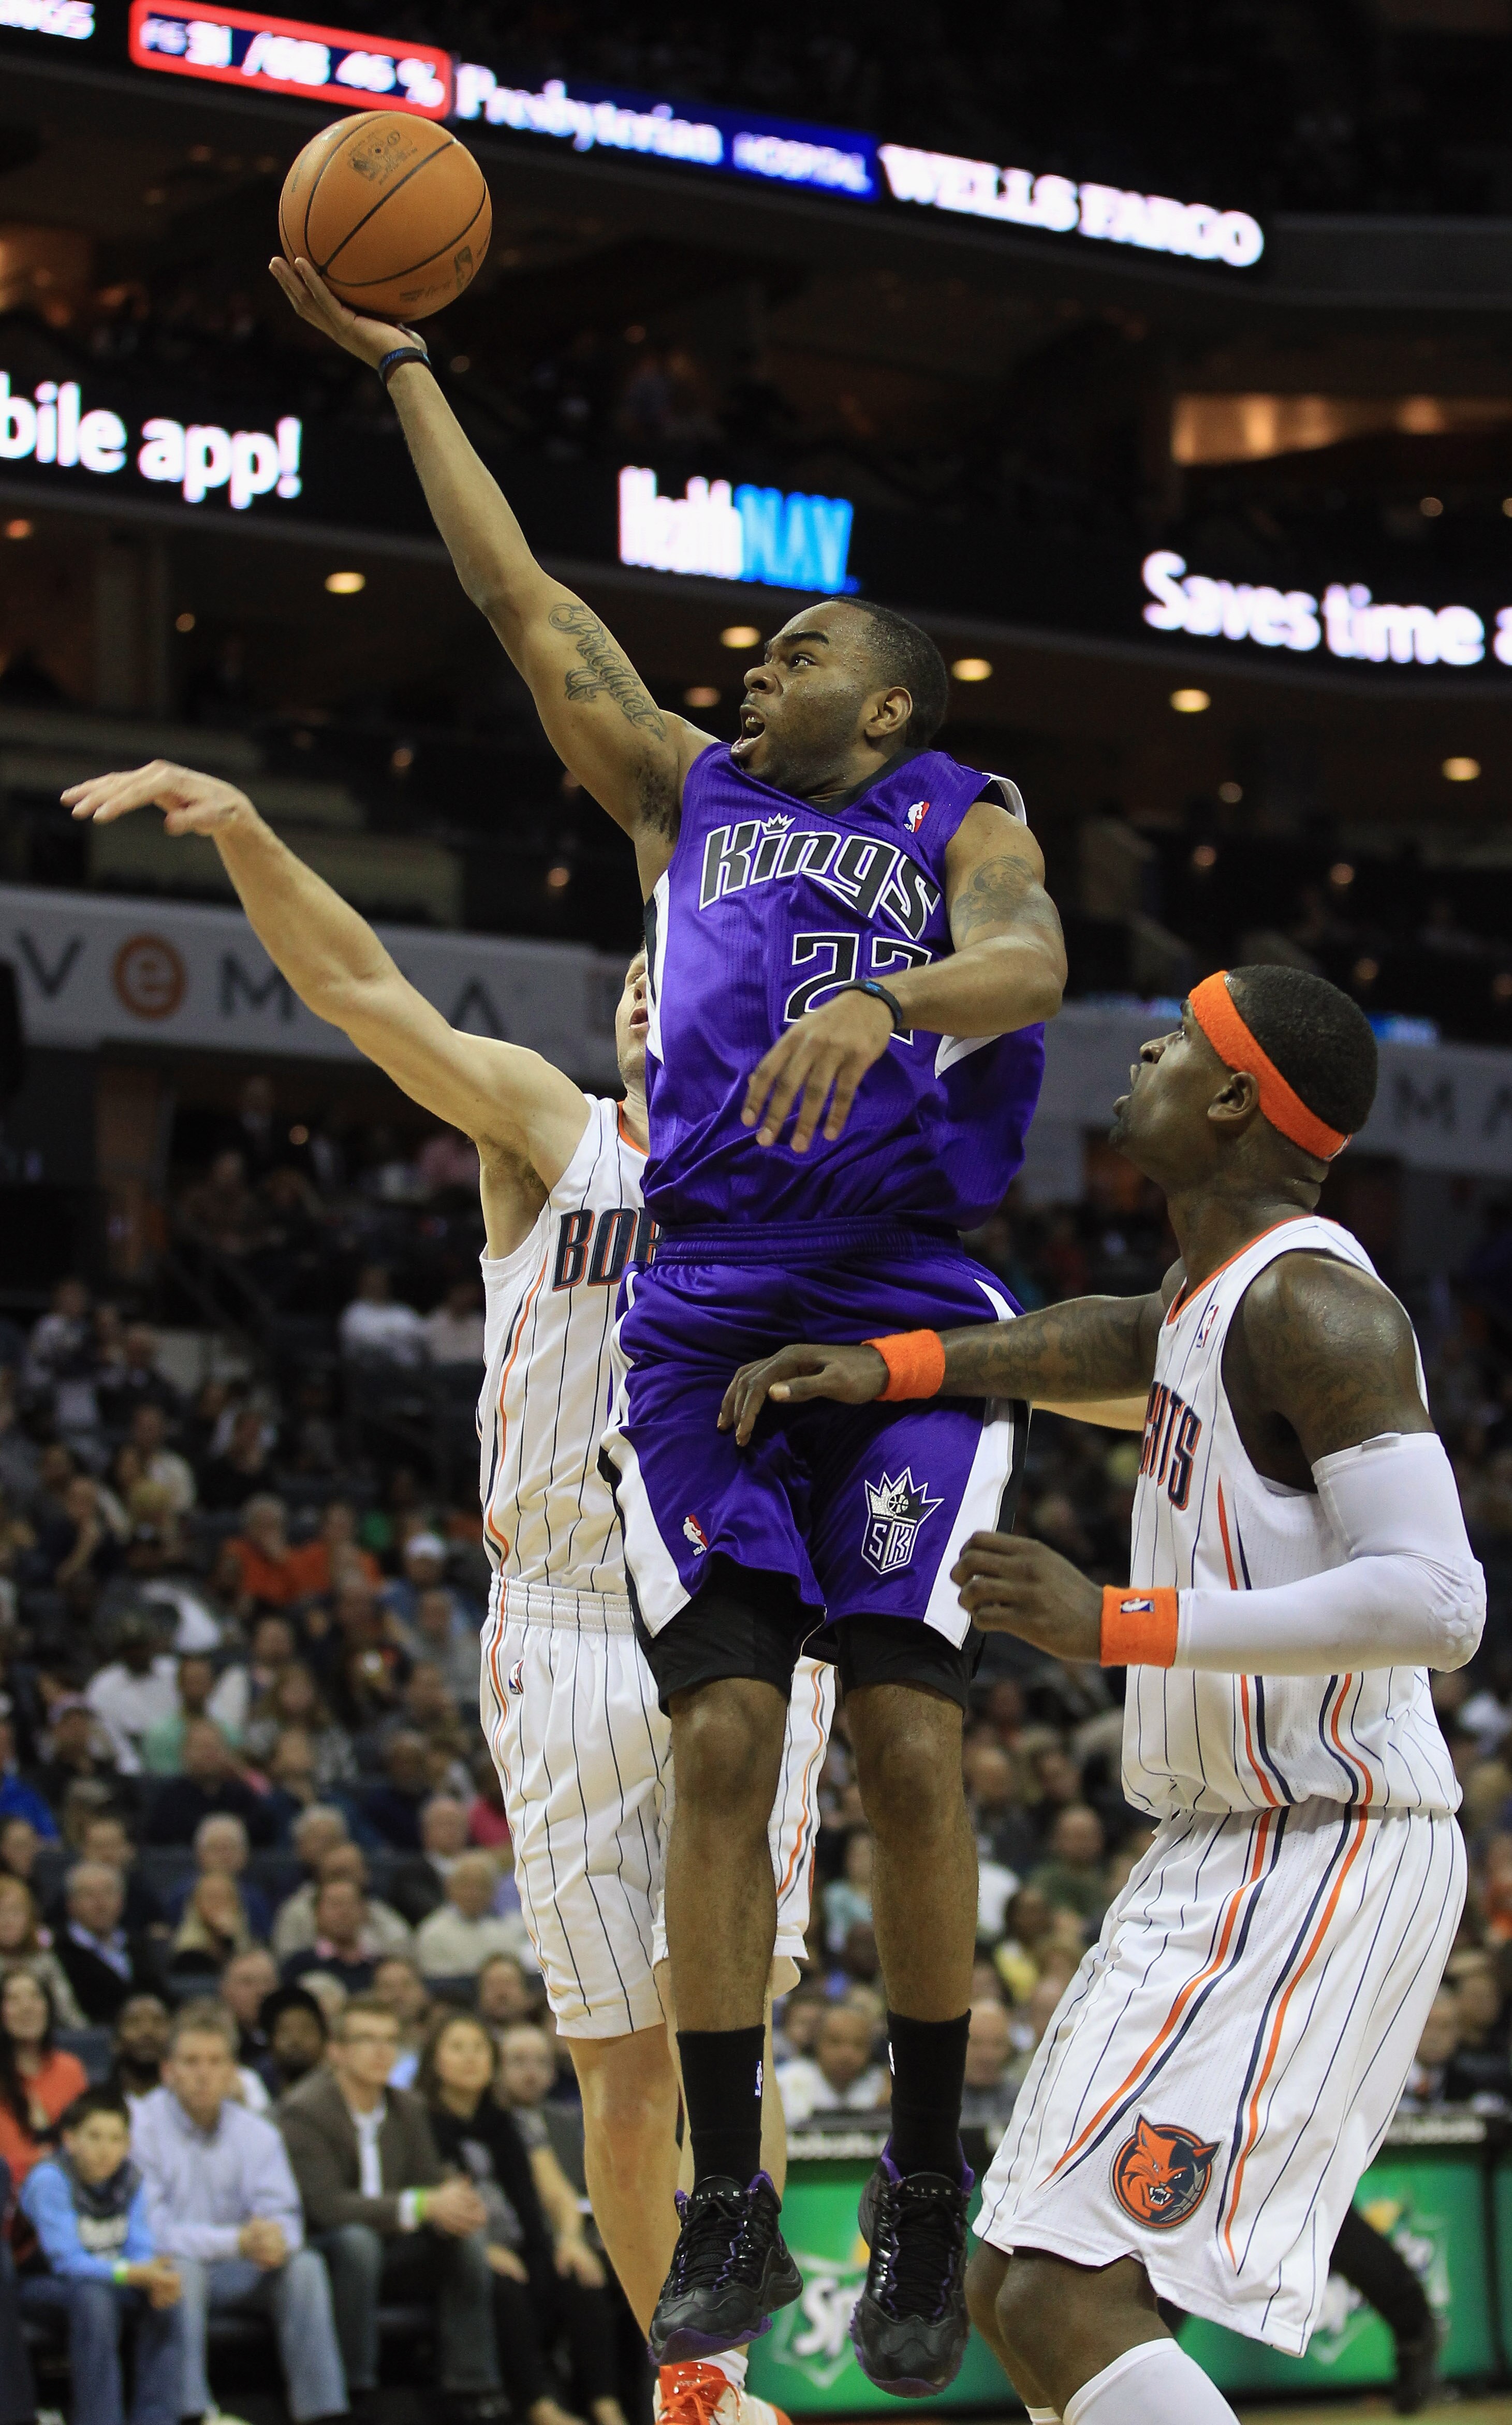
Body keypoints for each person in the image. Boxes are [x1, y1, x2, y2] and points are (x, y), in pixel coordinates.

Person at [253, 243, 1068, 2394]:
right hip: (703, 1332)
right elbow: (529, 605)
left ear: (885, 706)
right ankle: (727, 2220)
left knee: (900, 1734)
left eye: (800, 643)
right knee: (723, 1735)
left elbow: (1031, 961)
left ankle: (909, 2179)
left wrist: (890, 993)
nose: (757, 653)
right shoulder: (679, 805)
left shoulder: (954, 811)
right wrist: (415, 377)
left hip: (899, 1297)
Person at [67, 766, 831, 2425]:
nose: (645, 987)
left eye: (679, 969)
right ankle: (690, 2389)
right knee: (619, 2065)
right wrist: (259, 831)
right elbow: (357, 988)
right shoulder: (553, 1136)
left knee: (735, 2038)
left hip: (742, 1622)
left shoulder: (812, 1196)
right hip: (561, 1621)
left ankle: (737, 2374)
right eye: (637, 971)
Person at [723, 964, 1485, 2425]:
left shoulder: (1319, 1307)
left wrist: (1115, 1619)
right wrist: (893, 1366)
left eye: (1178, 1039)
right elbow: (1098, 1341)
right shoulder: (1207, 1302)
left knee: (1074, 2292)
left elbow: (1441, 1601)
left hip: (1329, 1841)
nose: (1142, 1047)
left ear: (1231, 1100)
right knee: (1013, 2280)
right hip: (1209, 1846)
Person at [277, 1993, 500, 2418]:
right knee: (358, 2242)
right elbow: (327, 2206)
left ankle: (472, 2388)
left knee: (465, 2237)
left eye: (389, 2040)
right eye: (366, 2039)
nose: (381, 2050)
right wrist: (421, 2203)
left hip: (395, 2249)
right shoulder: (304, 2111)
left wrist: (455, 2201)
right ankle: (356, 2387)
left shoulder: (408, 2107)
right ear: (336, 2051)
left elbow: (429, 2182)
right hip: (326, 2251)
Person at [131, 2000, 346, 2425]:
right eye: (191, 2061)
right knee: (181, 2269)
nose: (203, 2073)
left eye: (215, 2061)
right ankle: (191, 2413)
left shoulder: (258, 2132)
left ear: (234, 2072)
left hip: (241, 2270)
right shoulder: (142, 2127)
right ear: (168, 2070)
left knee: (303, 2265)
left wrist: (273, 2238)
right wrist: (238, 2240)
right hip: (173, 2269)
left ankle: (324, 2413)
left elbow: (286, 2215)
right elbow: (152, 2231)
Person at [420, 2009, 623, 2425]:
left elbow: (558, 2193)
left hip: (526, 2242)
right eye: (457, 2048)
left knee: (580, 2274)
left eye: (479, 2048)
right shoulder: (419, 2121)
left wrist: (569, 2238)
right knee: (503, 2285)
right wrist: (485, 2249)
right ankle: (538, 2406)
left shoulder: (513, 2122)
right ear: (434, 2060)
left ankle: (607, 2405)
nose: (470, 2057)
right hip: (461, 2247)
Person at [18, 2086, 184, 2425]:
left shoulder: (131, 2177)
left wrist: (153, 2276)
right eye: (93, 2136)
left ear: (127, 2144)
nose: (104, 2150)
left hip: (107, 2281)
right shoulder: (50, 2179)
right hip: (42, 2285)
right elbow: (65, 2261)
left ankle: (157, 2418)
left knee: (167, 2296)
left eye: (115, 2139)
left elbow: (140, 2245)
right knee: (94, 2299)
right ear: (70, 2139)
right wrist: (130, 2274)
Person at [0, 1970, 87, 2187]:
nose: (26, 2007)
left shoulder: (71, 2070)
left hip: (69, 2192)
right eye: (13, 1999)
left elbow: (85, 2142)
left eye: (35, 1997)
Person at [141, 1717, 275, 1848]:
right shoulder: (170, 1799)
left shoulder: (242, 1796)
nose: (207, 1755)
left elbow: (263, 1835)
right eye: (200, 1748)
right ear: (184, 1753)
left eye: (213, 1747)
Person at [54, 1864, 160, 2025]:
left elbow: (159, 1994)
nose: (101, 1904)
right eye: (89, 1895)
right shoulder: (59, 1950)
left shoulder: (136, 1944)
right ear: (71, 1904)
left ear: (122, 1901)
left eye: (108, 1893)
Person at [413, 1852, 532, 1984]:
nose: (474, 1893)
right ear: (450, 1888)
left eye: (482, 1886)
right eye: (466, 1885)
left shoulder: (504, 1932)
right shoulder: (433, 1933)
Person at [775, 2004, 887, 2125]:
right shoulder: (784, 2082)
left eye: (858, 2044)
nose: (847, 2055)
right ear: (816, 2043)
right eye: (835, 2042)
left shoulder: (883, 2085)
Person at [0, 1873, 85, 2025]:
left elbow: (70, 2016)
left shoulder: (46, 1962)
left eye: (16, 1912)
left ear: (30, 1918)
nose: (8, 1921)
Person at [958, 2000, 1018, 2150]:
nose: (987, 2055)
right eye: (977, 2043)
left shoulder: (1024, 2101)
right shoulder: (936, 2101)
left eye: (997, 2044)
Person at [259, 1983, 328, 2095]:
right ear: (271, 2040)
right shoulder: (256, 2088)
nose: (296, 2040)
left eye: (306, 2030)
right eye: (285, 2031)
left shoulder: (343, 2091)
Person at [107, 1995, 171, 2105]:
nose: (147, 2031)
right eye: (134, 2022)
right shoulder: (98, 2106)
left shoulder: (190, 2107)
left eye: (158, 2021)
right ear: (115, 2042)